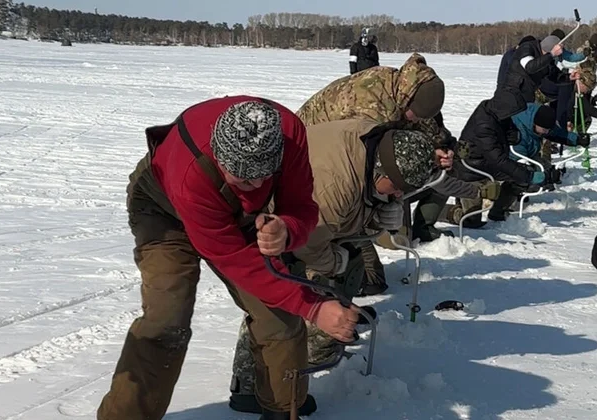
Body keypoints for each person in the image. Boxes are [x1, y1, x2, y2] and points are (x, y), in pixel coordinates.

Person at [96, 96, 361, 420]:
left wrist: (286, 229)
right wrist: (313, 306)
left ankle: (283, 411)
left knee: (278, 316)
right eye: (245, 180)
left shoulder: (287, 134)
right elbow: (235, 259)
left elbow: (302, 208)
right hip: (163, 211)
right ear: (221, 159)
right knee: (167, 320)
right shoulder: (190, 173)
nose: (257, 187)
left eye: (265, 177)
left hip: (231, 214)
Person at [229, 119, 439, 414]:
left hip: (308, 223)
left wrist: (379, 216)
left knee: (344, 272)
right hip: (274, 228)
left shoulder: (378, 150)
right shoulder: (334, 184)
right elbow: (309, 244)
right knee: (282, 304)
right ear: (382, 170)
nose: (398, 197)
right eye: (396, 189)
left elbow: (357, 209)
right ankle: (259, 387)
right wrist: (334, 262)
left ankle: (277, 374)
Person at [297, 52, 497, 246]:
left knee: (429, 171)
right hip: (312, 157)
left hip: (353, 156)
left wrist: (442, 149)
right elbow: (369, 164)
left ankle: (430, 219)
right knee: (386, 233)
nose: (415, 120)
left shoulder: (406, 88)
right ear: (408, 100)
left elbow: (430, 129)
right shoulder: (373, 107)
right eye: (414, 115)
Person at [446, 96, 555, 225]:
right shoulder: (484, 124)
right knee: (470, 221)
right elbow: (499, 160)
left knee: (519, 177)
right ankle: (446, 211)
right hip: (471, 169)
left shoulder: (503, 119)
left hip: (489, 165)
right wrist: (530, 175)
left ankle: (498, 211)